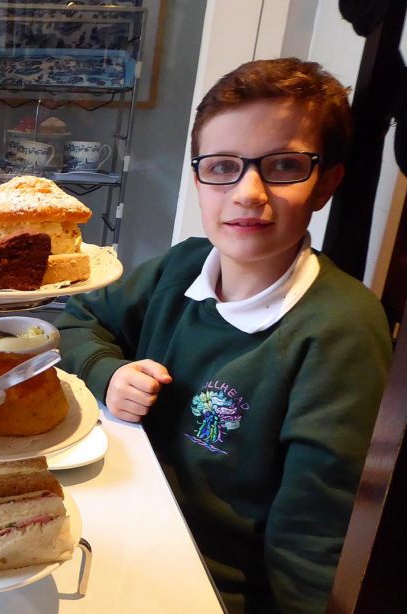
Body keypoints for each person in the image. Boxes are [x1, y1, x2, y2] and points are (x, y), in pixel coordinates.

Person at [55, 58, 392, 613]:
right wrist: (108, 372)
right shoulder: (182, 266)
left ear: (327, 182)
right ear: (199, 179)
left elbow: (313, 531)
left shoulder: (341, 328)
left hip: (211, 582)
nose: (248, 192)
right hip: (126, 521)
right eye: (223, 167)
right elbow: (80, 319)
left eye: (284, 165)